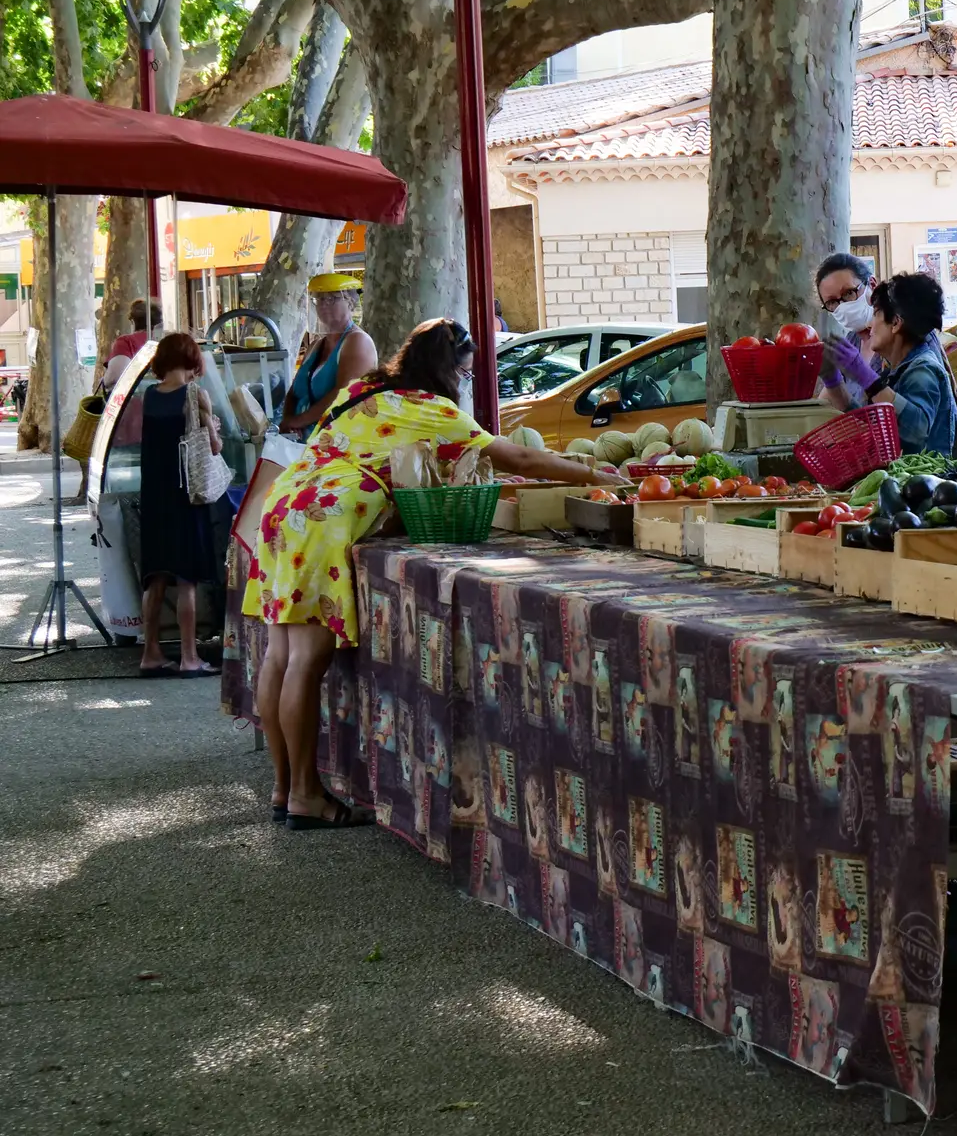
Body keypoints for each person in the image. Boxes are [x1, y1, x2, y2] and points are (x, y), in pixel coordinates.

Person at [244, 318, 619, 829]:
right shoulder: (432, 411)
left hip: (284, 506)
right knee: (306, 660)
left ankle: (284, 788)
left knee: (280, 655)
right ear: (447, 371)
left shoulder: (362, 389)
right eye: (464, 375)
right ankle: (306, 796)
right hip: (325, 521)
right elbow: (521, 458)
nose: (464, 385)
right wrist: (594, 473)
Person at [137, 332, 225, 679]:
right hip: (186, 495)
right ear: (192, 359)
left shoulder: (149, 396)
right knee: (186, 579)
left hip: (155, 497)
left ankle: (151, 653)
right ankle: (190, 657)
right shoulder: (195, 394)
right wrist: (213, 426)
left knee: (156, 577)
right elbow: (214, 448)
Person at [824, 272, 957, 456]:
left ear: (896, 323)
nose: (871, 325)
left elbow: (916, 432)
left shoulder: (923, 370)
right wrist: (832, 380)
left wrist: (867, 378)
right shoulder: (895, 370)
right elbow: (870, 430)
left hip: (927, 482)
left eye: (875, 314)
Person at [278, 273, 377, 440]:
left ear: (351, 303)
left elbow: (344, 394)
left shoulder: (358, 341)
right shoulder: (315, 345)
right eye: (319, 299)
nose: (324, 305)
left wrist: (298, 421)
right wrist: (288, 422)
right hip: (301, 443)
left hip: (336, 445)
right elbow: (294, 392)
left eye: (332, 298)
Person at [814, 252, 878, 407]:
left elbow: (909, 424)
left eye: (849, 293)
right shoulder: (850, 343)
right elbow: (823, 406)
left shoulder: (902, 338)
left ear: (872, 285)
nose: (843, 306)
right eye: (832, 302)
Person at [102, 298, 159, 389]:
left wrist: (105, 380)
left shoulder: (126, 342)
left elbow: (114, 377)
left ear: (132, 322)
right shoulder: (168, 340)